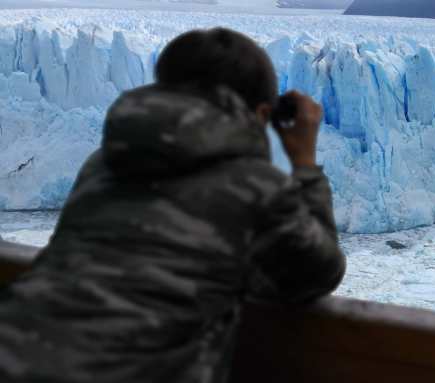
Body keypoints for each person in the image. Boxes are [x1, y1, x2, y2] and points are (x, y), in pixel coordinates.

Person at [0, 28, 346, 383]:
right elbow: (317, 272)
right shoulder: (253, 185)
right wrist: (304, 163)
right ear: (261, 114)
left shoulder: (103, 164)